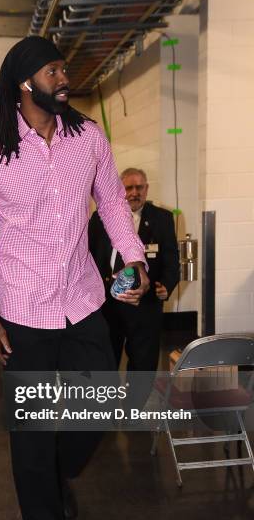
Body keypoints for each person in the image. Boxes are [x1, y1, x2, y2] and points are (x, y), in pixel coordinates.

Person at [0, 37, 149, 520]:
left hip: (83, 298)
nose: (65, 77)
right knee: (32, 433)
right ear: (24, 82)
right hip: (20, 307)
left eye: (64, 68)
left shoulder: (86, 136)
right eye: (54, 70)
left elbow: (111, 201)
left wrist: (132, 259)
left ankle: (58, 473)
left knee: (99, 406)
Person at [89, 168, 179, 397]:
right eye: (129, 187)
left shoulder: (162, 219)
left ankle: (133, 411)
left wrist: (166, 286)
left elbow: (171, 261)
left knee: (143, 364)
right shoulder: (100, 218)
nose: (134, 192)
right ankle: (105, 411)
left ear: (146, 189)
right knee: (105, 362)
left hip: (145, 305)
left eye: (139, 187)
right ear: (121, 190)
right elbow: (89, 256)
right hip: (108, 305)